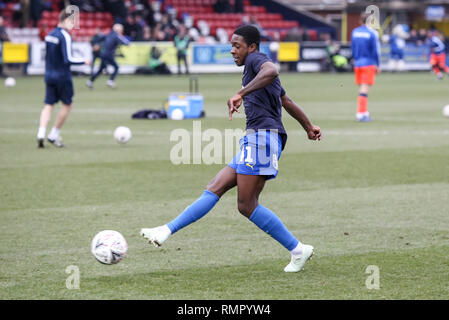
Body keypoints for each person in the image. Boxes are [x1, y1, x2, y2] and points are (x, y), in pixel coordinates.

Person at [140, 25, 322, 273]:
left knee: (246, 205)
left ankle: (298, 250)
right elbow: (285, 101)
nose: (232, 50)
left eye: (237, 46)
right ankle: (165, 230)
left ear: (252, 47)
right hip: (256, 138)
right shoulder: (255, 69)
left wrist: (240, 92)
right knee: (215, 187)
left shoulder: (257, 61)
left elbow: (272, 69)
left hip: (262, 138)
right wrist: (308, 126)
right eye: (231, 45)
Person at [36, 8, 90, 148]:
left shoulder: (50, 34)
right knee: (67, 104)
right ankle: (53, 134)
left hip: (49, 75)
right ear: (66, 20)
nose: (74, 25)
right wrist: (84, 61)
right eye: (73, 22)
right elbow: (68, 59)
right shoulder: (64, 35)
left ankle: (41, 133)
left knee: (48, 105)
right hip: (62, 76)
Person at [350, 12, 380, 122]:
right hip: (368, 63)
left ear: (360, 21)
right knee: (364, 89)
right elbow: (375, 51)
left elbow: (352, 48)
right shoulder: (372, 33)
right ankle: (361, 114)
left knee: (361, 88)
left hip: (357, 63)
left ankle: (364, 112)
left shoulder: (355, 32)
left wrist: (354, 58)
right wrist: (377, 64)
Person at [86, 23, 130, 89]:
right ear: (118, 30)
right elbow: (126, 43)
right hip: (109, 55)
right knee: (116, 67)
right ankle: (110, 81)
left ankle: (90, 81)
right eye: (121, 29)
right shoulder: (116, 35)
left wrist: (95, 44)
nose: (122, 31)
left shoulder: (109, 34)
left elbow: (99, 38)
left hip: (103, 54)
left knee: (101, 69)